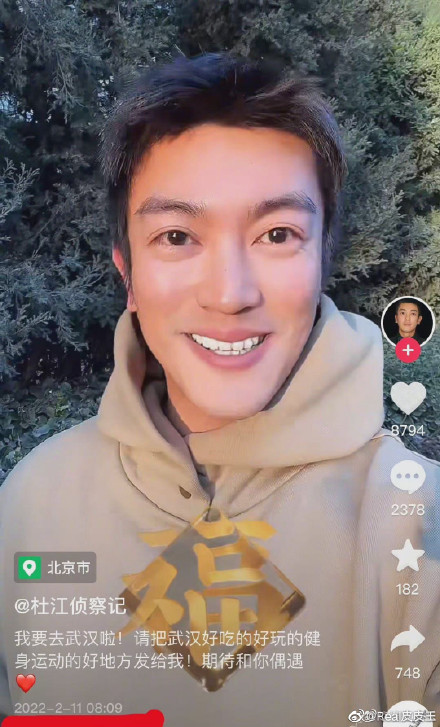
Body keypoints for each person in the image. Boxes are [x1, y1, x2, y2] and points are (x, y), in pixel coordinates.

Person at [0, 53, 439, 727]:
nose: (230, 294)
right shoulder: (32, 499)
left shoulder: (416, 520)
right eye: (177, 236)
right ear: (128, 274)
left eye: (277, 234)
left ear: (323, 256)